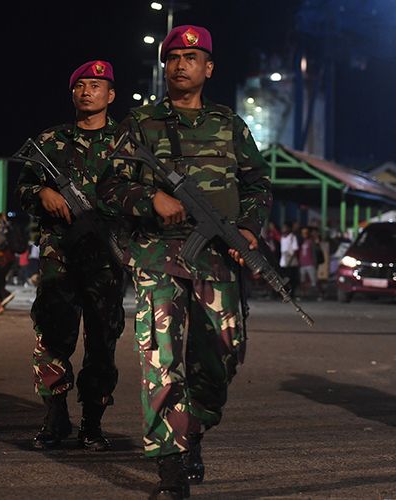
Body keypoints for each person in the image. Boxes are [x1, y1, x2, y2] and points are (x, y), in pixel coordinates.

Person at [98, 26, 272, 498]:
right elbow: (109, 188)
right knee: (161, 358)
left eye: (191, 57)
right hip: (158, 256)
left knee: (223, 353)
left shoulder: (229, 124)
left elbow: (258, 185)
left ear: (208, 68)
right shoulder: (140, 123)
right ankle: (169, 460)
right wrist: (149, 198)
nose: (180, 64)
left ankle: (191, 427)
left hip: (218, 259)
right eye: (173, 56)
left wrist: (250, 230)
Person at [17, 60, 125, 452]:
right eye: (80, 85)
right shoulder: (50, 141)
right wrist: (41, 194)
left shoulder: (127, 144)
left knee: (102, 340)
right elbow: (24, 185)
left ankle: (93, 422)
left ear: (110, 95)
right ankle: (54, 415)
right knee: (52, 334)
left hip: (107, 257)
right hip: (59, 254)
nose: (87, 91)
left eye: (96, 85)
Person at [279, 222, 299, 298]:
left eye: (285, 227)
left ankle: (292, 294)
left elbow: (294, 250)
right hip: (283, 262)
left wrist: (289, 262)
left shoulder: (292, 237)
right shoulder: (282, 237)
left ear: (289, 228)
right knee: (284, 279)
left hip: (290, 262)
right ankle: (284, 293)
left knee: (291, 279)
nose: (283, 229)